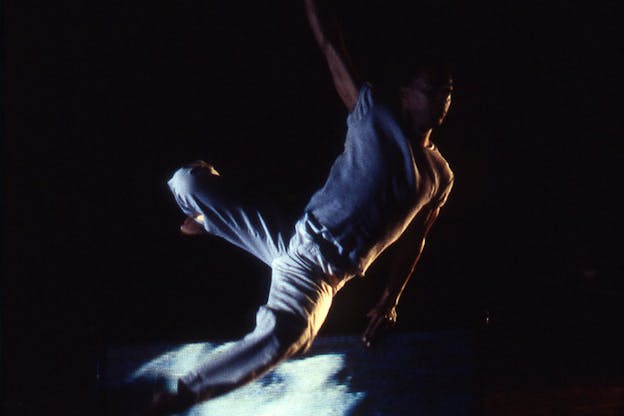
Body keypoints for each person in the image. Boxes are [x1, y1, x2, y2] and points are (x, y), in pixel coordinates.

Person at [145, 0, 453, 413]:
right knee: (185, 182)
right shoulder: (374, 113)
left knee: (288, 336)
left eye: (448, 92)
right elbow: (329, 44)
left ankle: (184, 393)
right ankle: (211, 214)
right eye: (432, 89)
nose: (442, 99)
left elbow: (415, 241)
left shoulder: (440, 175)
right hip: (295, 231)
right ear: (407, 94)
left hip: (319, 275)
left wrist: (391, 297)